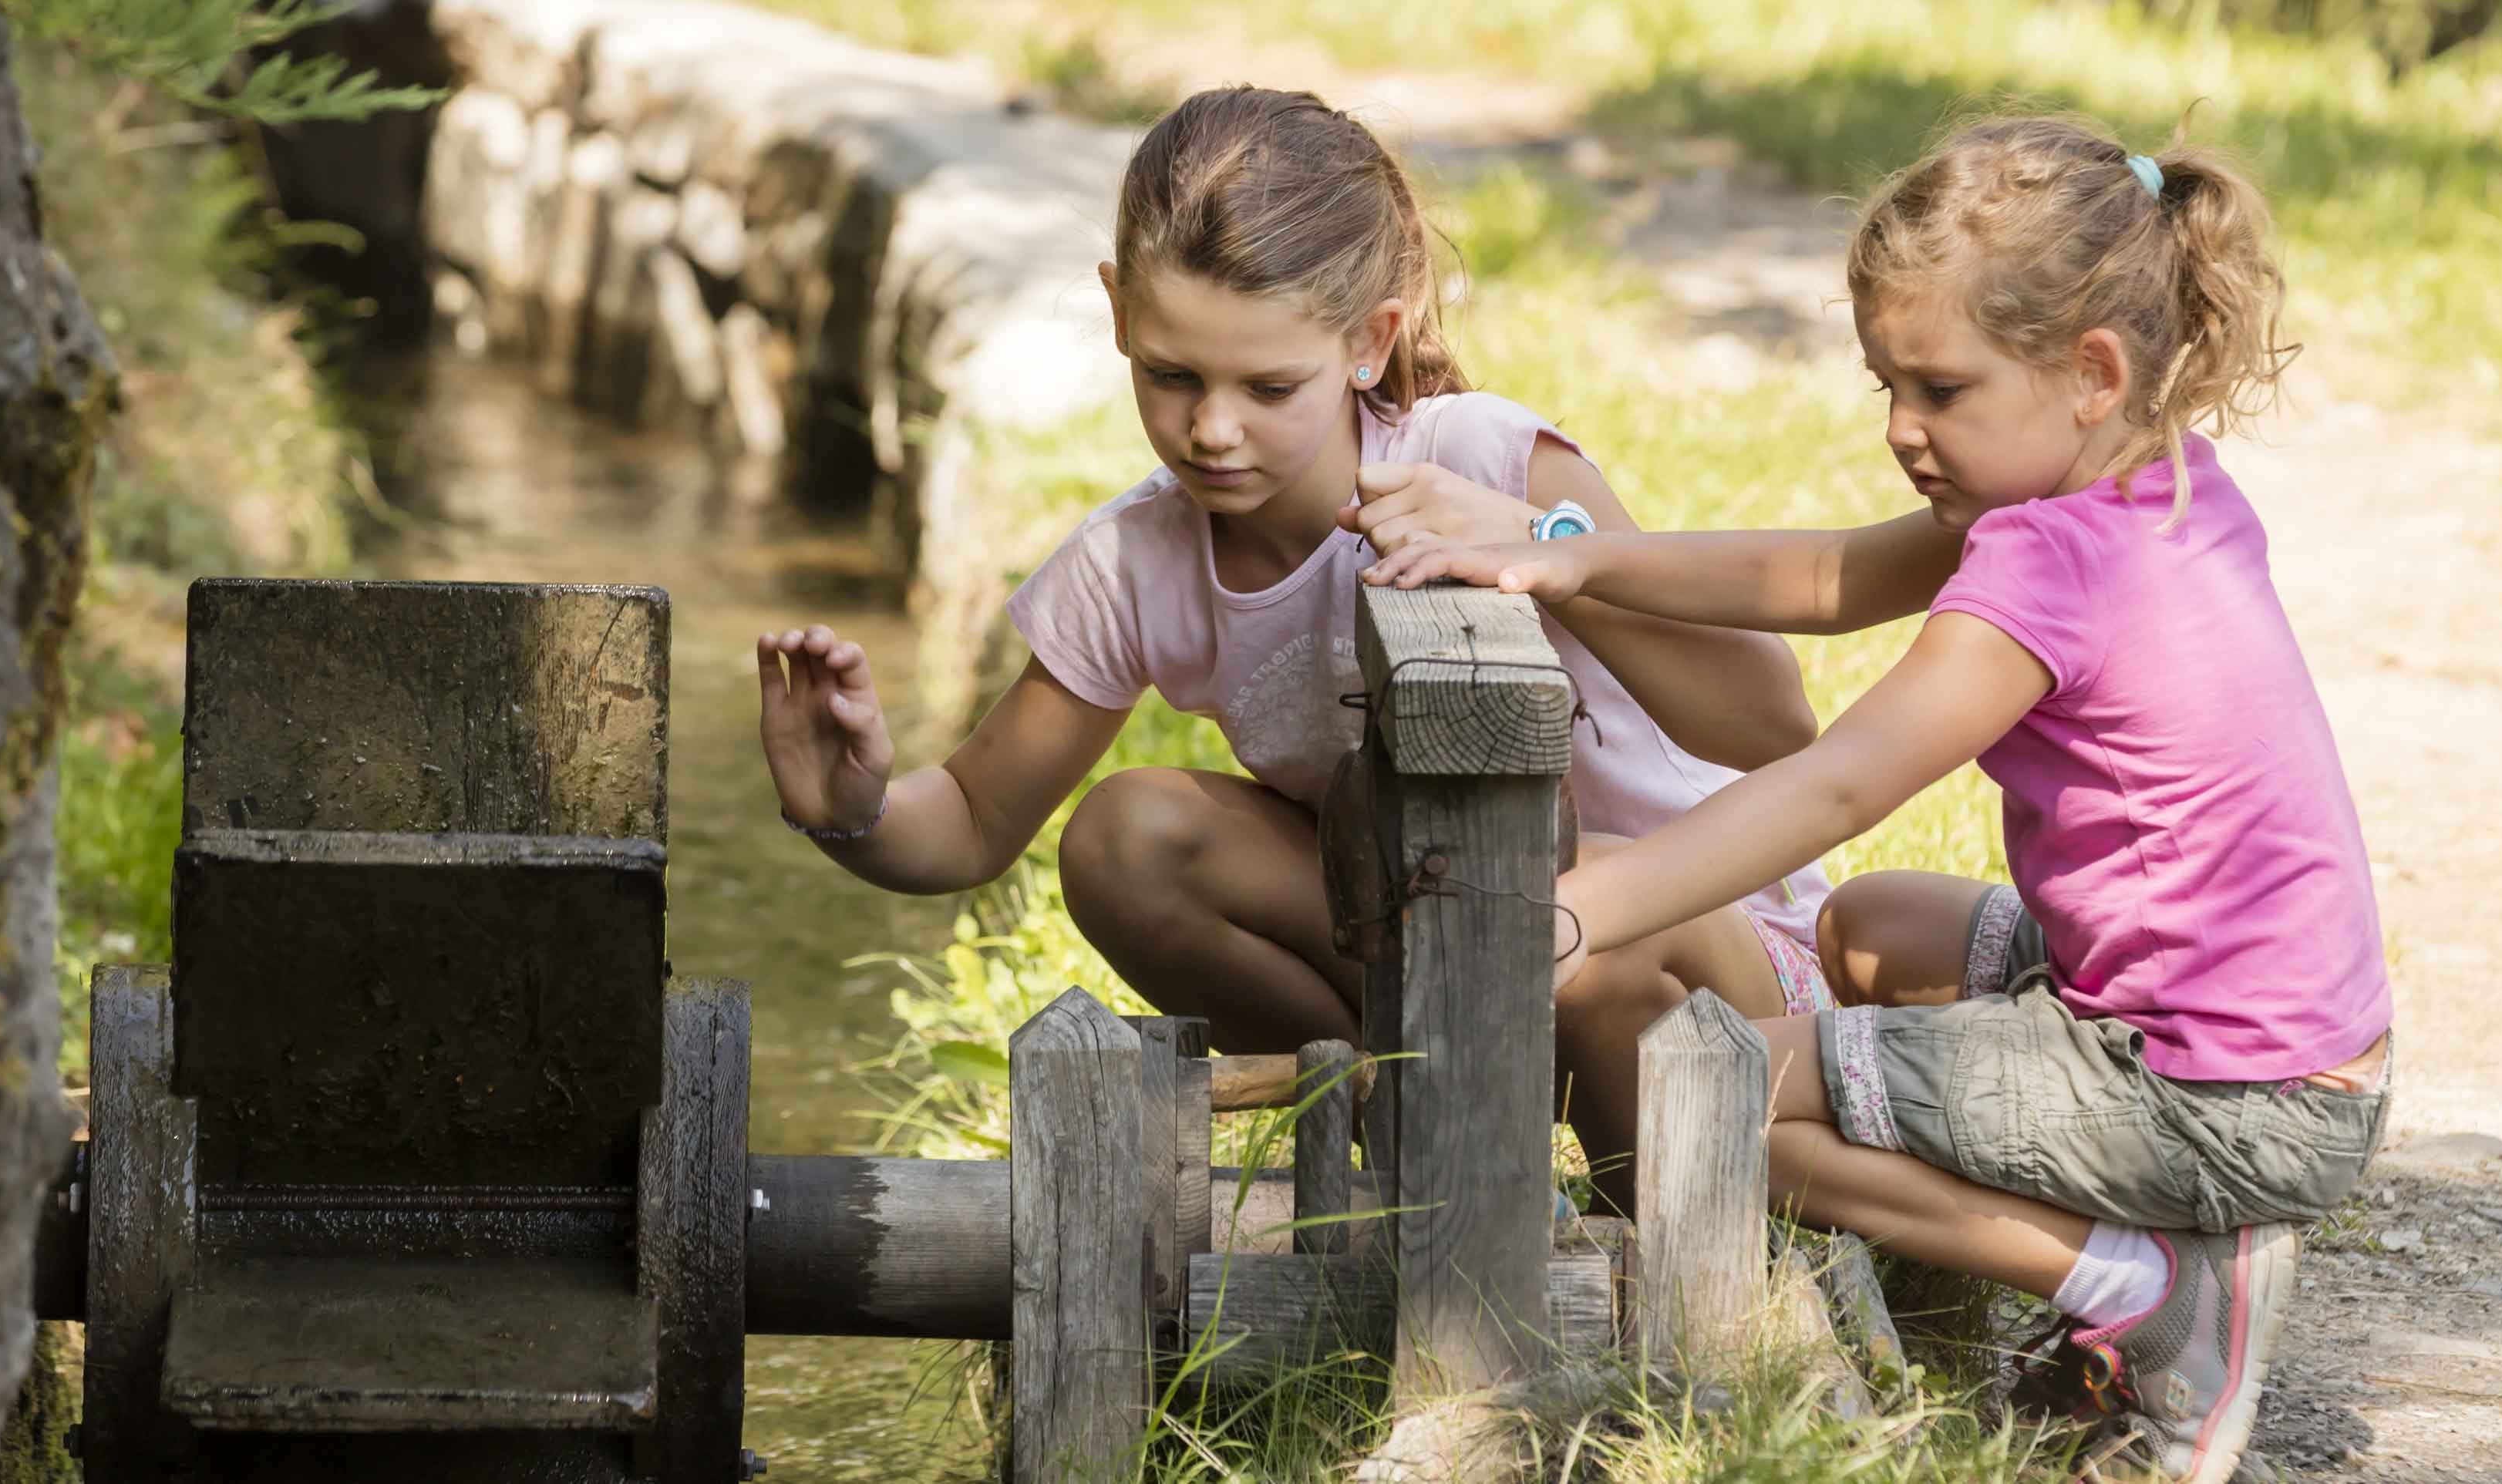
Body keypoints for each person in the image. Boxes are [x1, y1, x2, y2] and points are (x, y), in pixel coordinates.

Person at [1362, 113, 2390, 1482]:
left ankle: (2150, 1290)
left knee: (1718, 1100)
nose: (1904, 428)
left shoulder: (2048, 568)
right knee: (1870, 928)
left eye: (1941, 389)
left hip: (2213, 1091)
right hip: (2288, 1052)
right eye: (1886, 386)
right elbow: (1826, 575)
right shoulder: (2151, 481)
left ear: (2093, 372)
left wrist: (1578, 911)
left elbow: (1836, 781)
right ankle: (2087, 1243)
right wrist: (1573, 553)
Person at [753, 86, 1835, 1204]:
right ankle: (1414, 1136)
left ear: (1369, 342)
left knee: (1548, 911)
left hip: (1708, 960)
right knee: (1126, 838)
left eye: (1269, 387)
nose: (1211, 430)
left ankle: (1654, 1213)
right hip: (1469, 951)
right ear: (1119, 313)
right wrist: (852, 806)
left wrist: (1544, 546)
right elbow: (975, 820)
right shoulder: (1137, 564)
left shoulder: (1485, 458)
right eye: (1171, 375)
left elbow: (1772, 723)